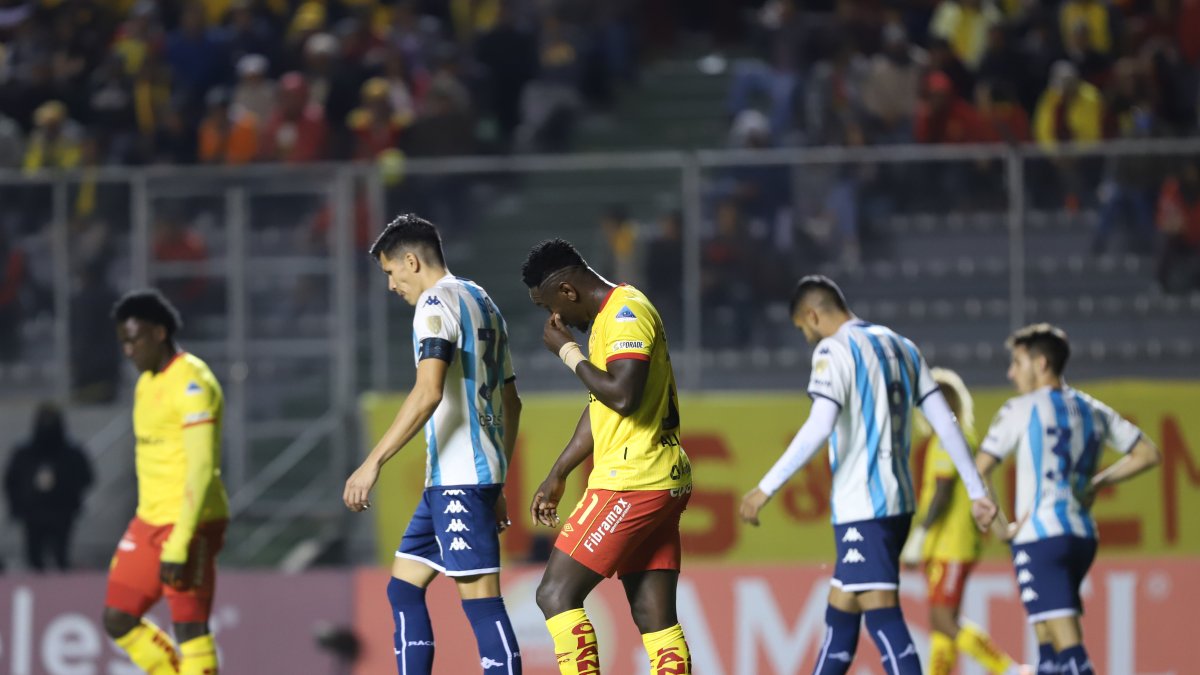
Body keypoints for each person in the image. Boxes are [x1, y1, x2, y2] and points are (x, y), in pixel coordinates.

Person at [739, 276, 997, 675]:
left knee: (882, 615)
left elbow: (819, 425)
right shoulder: (903, 346)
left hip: (864, 506)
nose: (806, 337)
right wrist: (978, 491)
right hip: (898, 505)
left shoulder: (834, 350)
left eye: (803, 328)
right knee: (841, 612)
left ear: (813, 315)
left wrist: (765, 488)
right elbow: (947, 423)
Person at [343, 214, 522, 675]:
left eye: (390, 272)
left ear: (411, 261)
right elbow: (512, 402)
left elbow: (428, 392)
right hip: (459, 479)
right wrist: (498, 481)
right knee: (403, 588)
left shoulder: (433, 304)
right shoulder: (482, 300)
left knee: (481, 603)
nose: (391, 285)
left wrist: (372, 462)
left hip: (459, 480)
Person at [521, 239, 692, 675]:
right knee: (654, 617)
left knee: (555, 594)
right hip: (660, 478)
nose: (555, 319)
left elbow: (623, 396)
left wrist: (567, 351)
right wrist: (559, 472)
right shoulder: (611, 317)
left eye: (549, 306)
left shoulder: (623, 314)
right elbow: (602, 405)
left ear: (567, 291)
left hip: (632, 482)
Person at [976, 324, 1161, 675]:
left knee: (1068, 646)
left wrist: (1000, 527)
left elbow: (980, 469)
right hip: (1081, 536)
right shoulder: (1092, 409)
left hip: (1041, 538)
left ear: (1041, 364)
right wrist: (1098, 483)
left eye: (1017, 363)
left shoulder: (1021, 408)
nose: (1011, 373)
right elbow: (1148, 453)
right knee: (1048, 645)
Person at [105, 290, 228, 675]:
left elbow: (202, 467)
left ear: (159, 333)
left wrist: (181, 539)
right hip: (149, 520)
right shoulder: (146, 383)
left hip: (191, 519)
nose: (128, 350)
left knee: (189, 627)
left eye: (135, 339)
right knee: (118, 618)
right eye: (123, 342)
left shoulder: (192, 381)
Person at [900, 368, 1023, 675]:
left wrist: (919, 535)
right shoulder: (953, 437)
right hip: (946, 543)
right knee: (940, 622)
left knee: (944, 619)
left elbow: (942, 492)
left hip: (951, 543)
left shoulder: (948, 439)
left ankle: (1008, 669)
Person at [4, 403, 94, 571]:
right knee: (34, 559)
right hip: (33, 512)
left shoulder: (71, 453)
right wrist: (17, 506)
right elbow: (11, 482)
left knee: (61, 557)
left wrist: (71, 495)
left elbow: (86, 478)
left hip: (61, 511)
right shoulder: (25, 453)